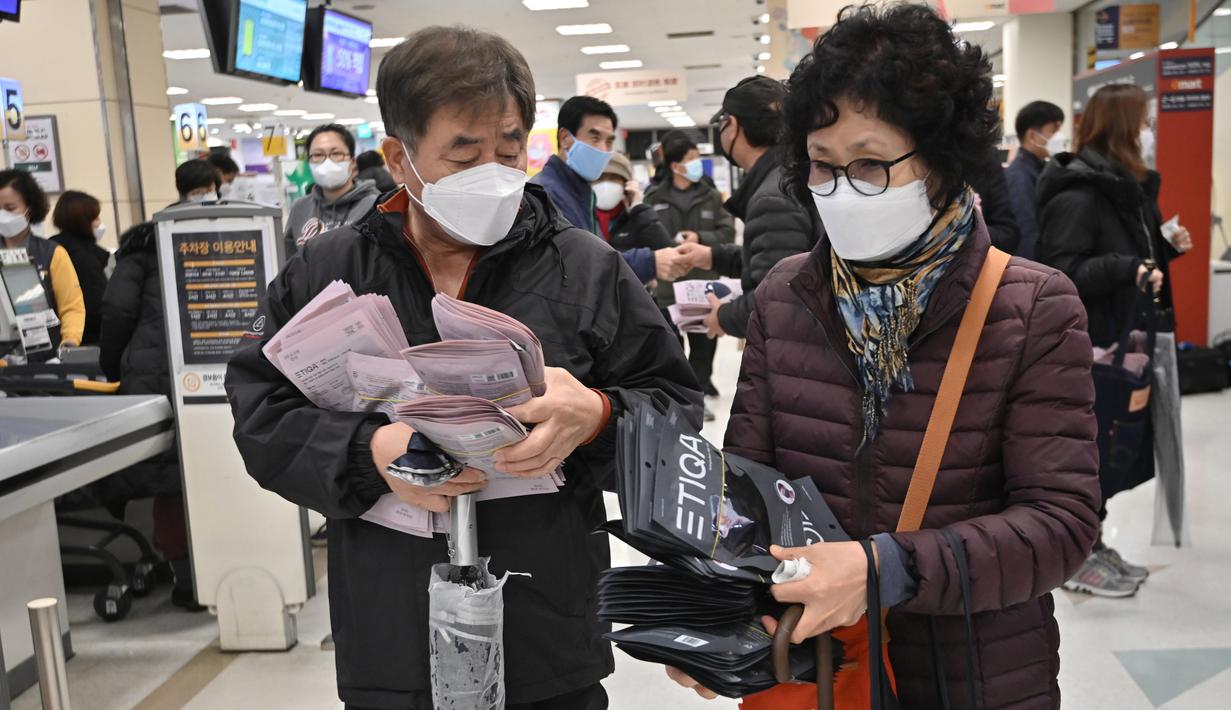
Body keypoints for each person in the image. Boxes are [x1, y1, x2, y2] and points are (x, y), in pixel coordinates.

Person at [225, 25, 701, 710]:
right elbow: (260, 415)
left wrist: (597, 417)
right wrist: (367, 450)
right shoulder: (329, 272)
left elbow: (675, 411)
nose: (494, 172)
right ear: (398, 157)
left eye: (509, 148)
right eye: (464, 153)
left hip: (547, 628)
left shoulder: (583, 267)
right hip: (392, 635)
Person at [664, 6, 1099, 708]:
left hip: (973, 677)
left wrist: (880, 569)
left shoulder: (1031, 307)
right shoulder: (787, 295)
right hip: (822, 671)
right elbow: (746, 489)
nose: (840, 190)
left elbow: (1059, 525)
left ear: (940, 156)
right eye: (823, 165)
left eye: (870, 163)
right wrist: (717, 615)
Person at [1037, 83, 1192, 596]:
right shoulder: (1081, 193)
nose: (1149, 133)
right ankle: (1076, 557)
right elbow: (1060, 270)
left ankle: (1091, 540)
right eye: (1144, 122)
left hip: (1124, 341)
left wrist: (1159, 252)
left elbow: (1123, 259)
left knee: (1116, 447)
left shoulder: (1126, 189)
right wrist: (1128, 266)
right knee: (1094, 451)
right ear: (1124, 127)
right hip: (1092, 346)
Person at [95, 159, 226, 611]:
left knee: (172, 482)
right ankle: (226, 571)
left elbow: (116, 311)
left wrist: (112, 368)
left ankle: (187, 582)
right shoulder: (229, 235)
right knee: (222, 468)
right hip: (215, 367)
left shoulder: (141, 242)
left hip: (154, 377)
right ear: (214, 187)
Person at [674, 76, 816, 339]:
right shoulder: (789, 176)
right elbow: (780, 262)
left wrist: (724, 317)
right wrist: (712, 256)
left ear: (733, 126)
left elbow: (778, 299)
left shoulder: (772, 197)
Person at [643, 137, 735, 416]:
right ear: (675, 165)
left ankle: (699, 394)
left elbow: (728, 231)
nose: (697, 164)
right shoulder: (653, 197)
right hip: (667, 287)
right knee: (670, 348)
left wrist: (700, 238)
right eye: (691, 158)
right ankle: (679, 397)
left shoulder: (709, 194)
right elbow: (643, 235)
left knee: (704, 345)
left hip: (702, 285)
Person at [0, 169, 86, 350]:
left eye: (10, 208)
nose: (3, 215)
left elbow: (71, 306)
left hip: (44, 357)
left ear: (29, 209)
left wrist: (70, 340)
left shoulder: (52, 253)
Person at [284, 123, 380, 256]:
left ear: (352, 162)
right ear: (309, 163)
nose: (327, 162)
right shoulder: (300, 209)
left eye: (336, 153)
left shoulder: (374, 206)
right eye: (317, 155)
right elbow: (290, 264)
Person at [592, 152, 687, 284]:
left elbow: (669, 251)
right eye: (600, 178)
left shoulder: (636, 217)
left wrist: (639, 208)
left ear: (626, 184)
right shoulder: (583, 216)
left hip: (631, 298)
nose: (606, 184)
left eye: (614, 178)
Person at [530, 95, 617, 232]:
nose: (603, 149)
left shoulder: (581, 191)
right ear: (565, 138)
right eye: (595, 138)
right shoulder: (545, 194)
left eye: (609, 142)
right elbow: (581, 252)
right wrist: (651, 255)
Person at [1006, 100, 1066, 260]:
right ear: (1032, 135)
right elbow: (1027, 233)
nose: (1060, 137)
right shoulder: (1019, 176)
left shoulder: (1042, 168)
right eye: (1054, 130)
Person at [50, 190, 110, 345]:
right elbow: (97, 305)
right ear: (83, 222)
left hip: (58, 336)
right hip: (87, 341)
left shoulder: (51, 249)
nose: (99, 223)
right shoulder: (85, 257)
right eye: (95, 218)